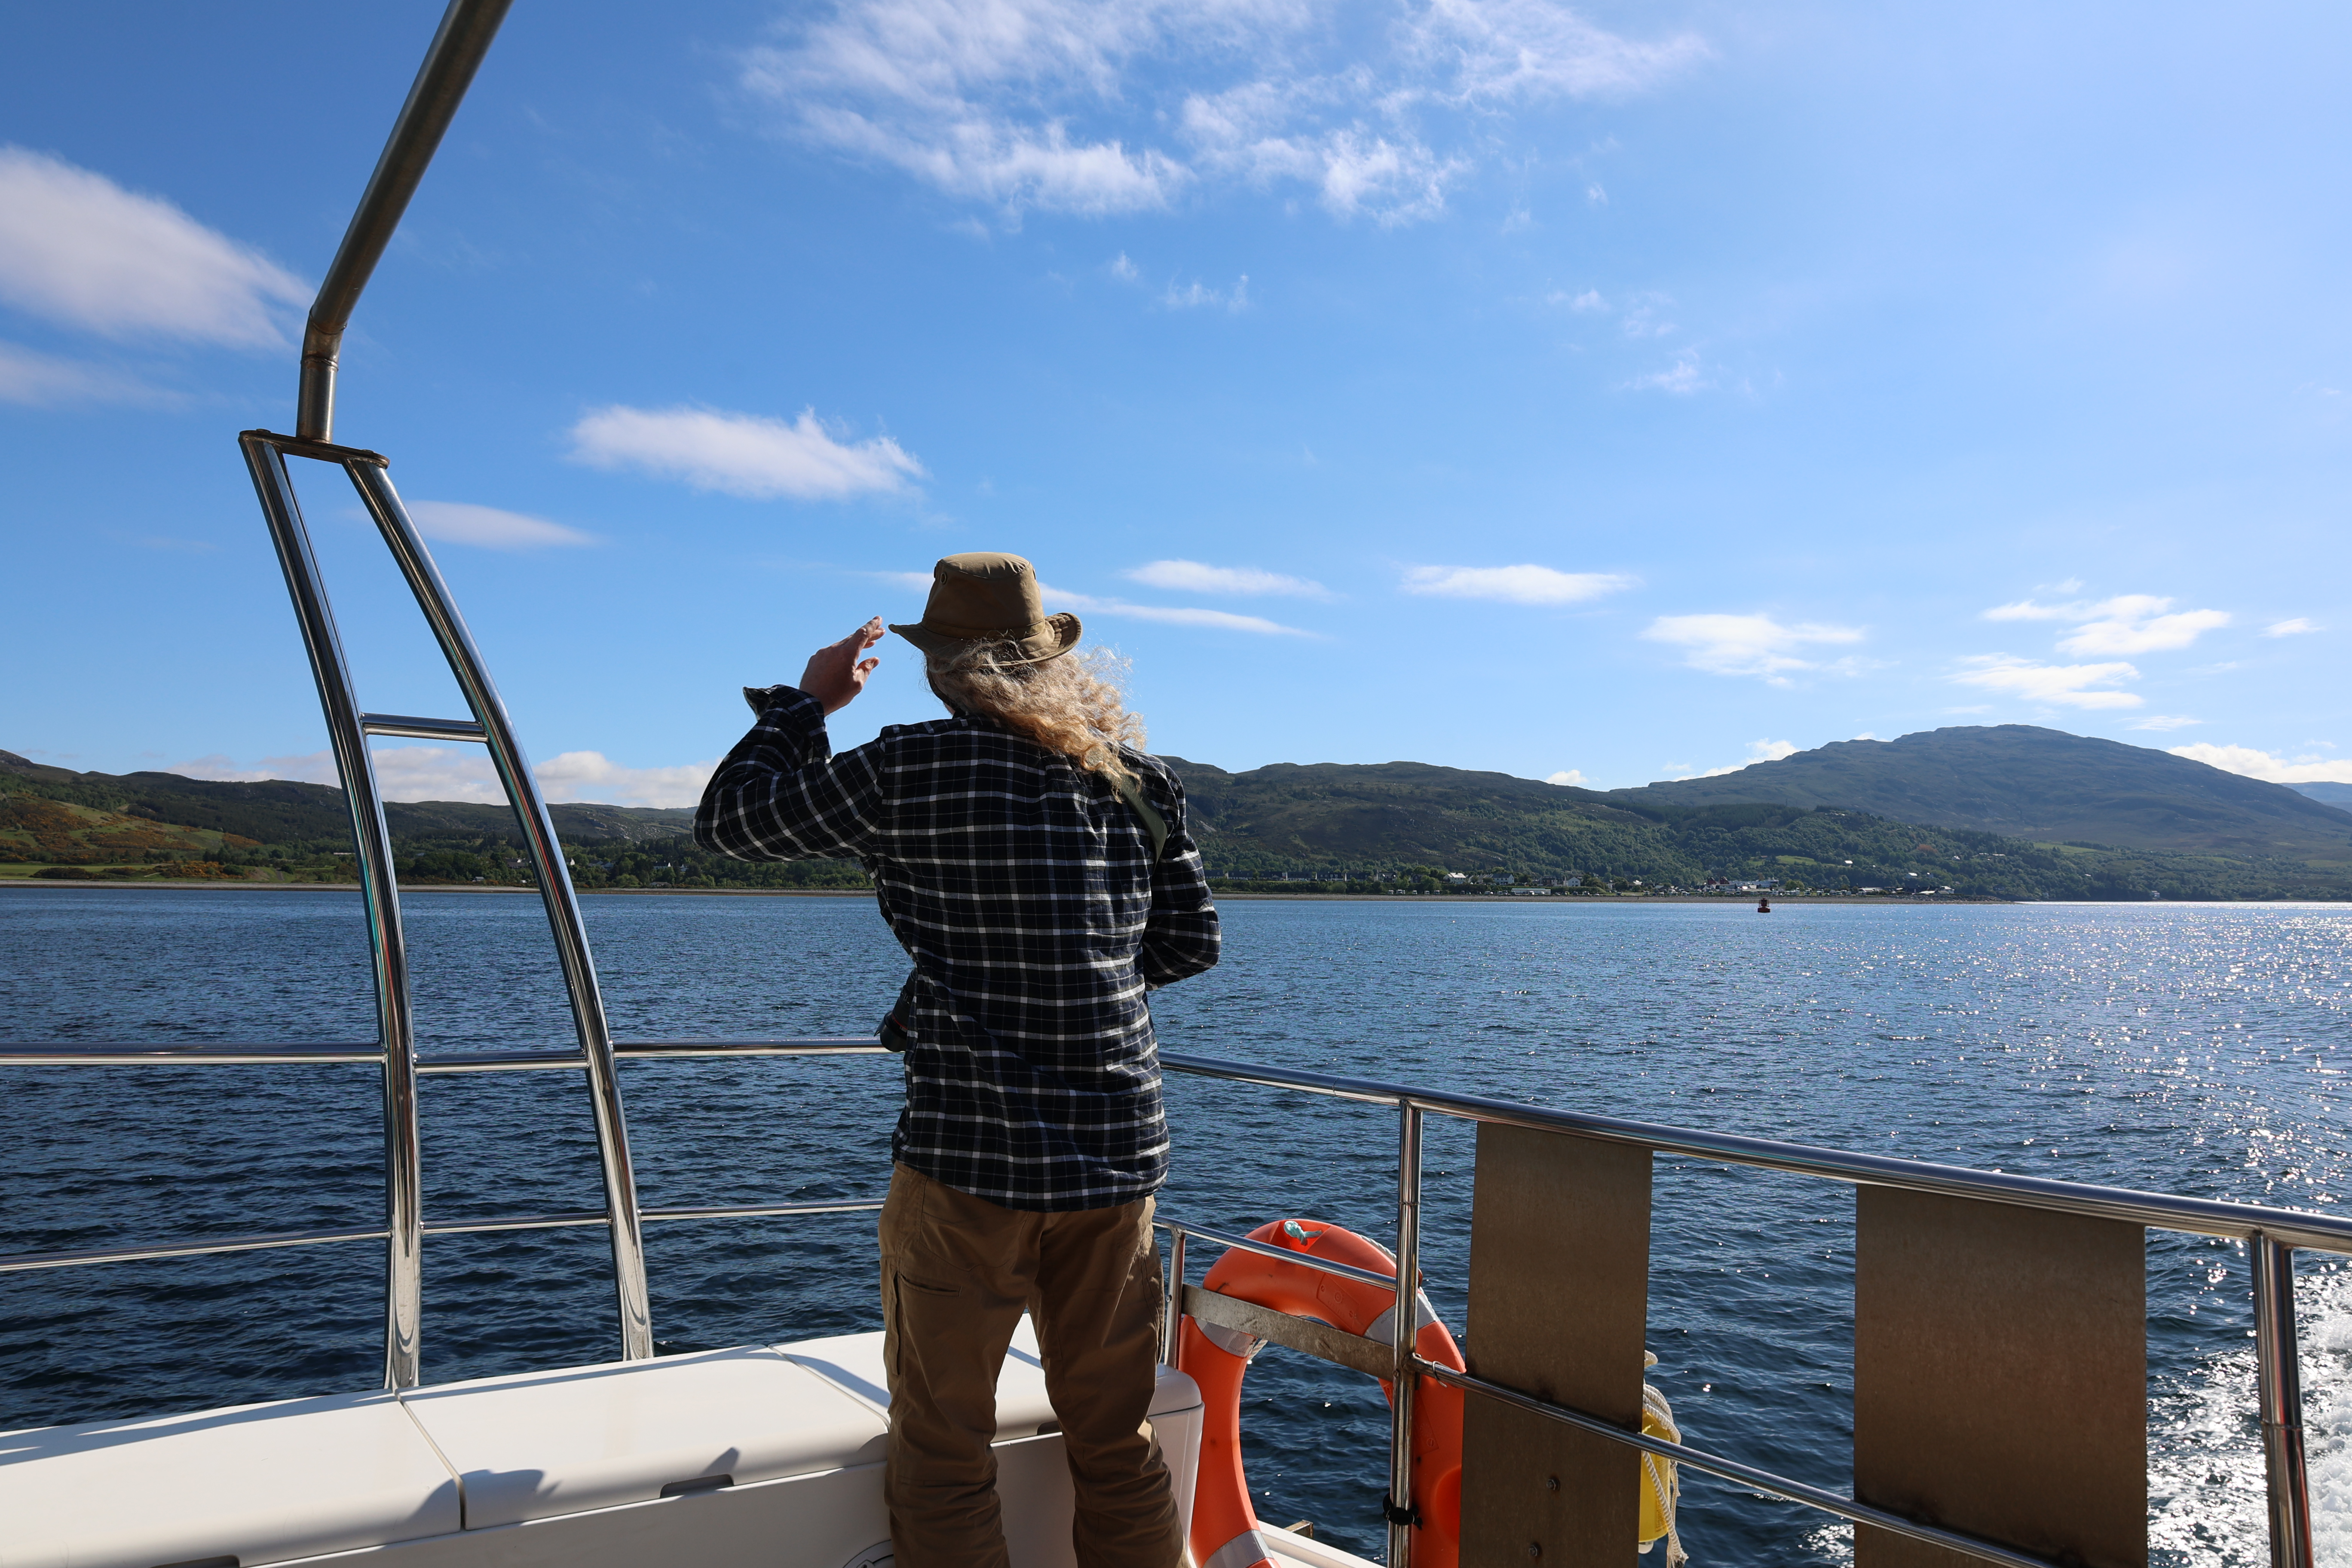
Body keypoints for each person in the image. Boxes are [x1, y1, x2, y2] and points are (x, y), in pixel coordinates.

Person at [695, 552, 1221, 1568]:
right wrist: (1080, 980)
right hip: (1117, 1163)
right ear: (1048, 664)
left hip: (968, 1161)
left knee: (945, 1447)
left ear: (945, 669)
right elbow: (1188, 944)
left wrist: (806, 708)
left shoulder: (909, 768)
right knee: (1116, 1436)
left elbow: (731, 825)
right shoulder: (1138, 780)